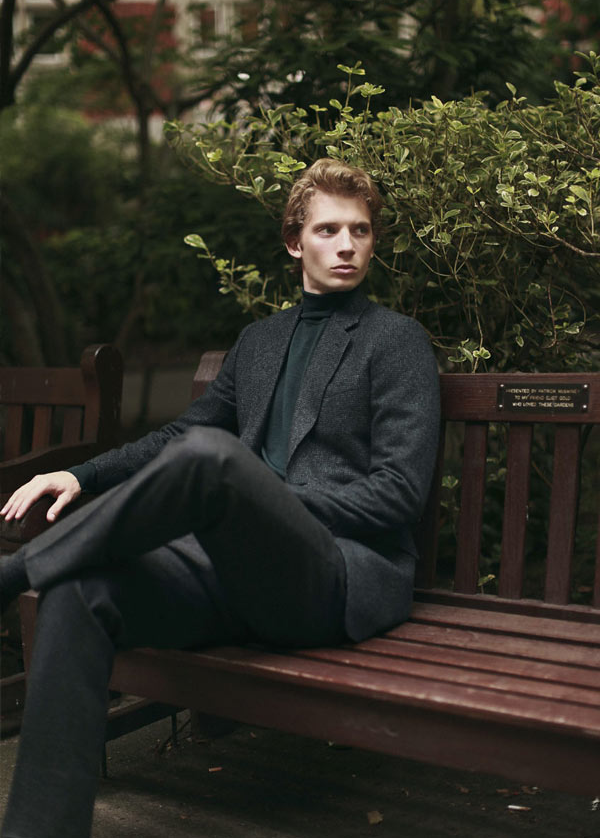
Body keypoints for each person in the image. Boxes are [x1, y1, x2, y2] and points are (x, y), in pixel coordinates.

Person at [0, 158, 440, 838]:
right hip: (232, 576)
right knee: (78, 593)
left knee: (216, 461)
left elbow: (399, 494)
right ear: (295, 242)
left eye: (360, 230)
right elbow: (181, 433)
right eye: (329, 229)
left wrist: (270, 496)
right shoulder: (259, 342)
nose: (347, 244)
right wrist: (83, 475)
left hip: (332, 577)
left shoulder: (397, 341)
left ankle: (16, 571)